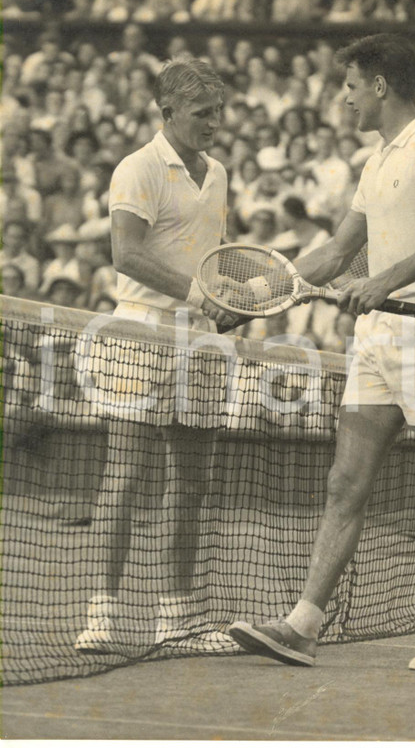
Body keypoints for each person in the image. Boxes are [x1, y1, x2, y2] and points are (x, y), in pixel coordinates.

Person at [215, 34, 415, 673]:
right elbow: (336, 254)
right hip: (378, 339)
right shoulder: (374, 162)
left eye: (349, 85)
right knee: (345, 481)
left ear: (379, 86)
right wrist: (259, 296)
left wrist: (384, 280)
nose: (341, 98)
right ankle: (302, 625)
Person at [75, 57, 239, 656]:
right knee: (125, 478)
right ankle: (103, 613)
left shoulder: (217, 172)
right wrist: (198, 293)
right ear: (167, 112)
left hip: (200, 341)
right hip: (139, 334)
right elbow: (126, 254)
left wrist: (224, 296)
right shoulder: (137, 167)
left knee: (191, 485)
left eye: (218, 111)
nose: (214, 122)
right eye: (202, 113)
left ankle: (177, 620)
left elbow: (208, 254)